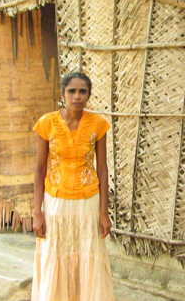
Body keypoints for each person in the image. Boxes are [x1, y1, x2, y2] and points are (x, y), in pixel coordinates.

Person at [31, 72, 115, 301]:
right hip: (56, 202)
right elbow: (39, 169)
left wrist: (104, 212)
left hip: (88, 202)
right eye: (72, 91)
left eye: (82, 92)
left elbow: (102, 169)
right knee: (56, 253)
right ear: (62, 94)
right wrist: (37, 212)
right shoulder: (46, 123)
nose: (77, 96)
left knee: (88, 255)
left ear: (88, 95)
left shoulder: (98, 124)